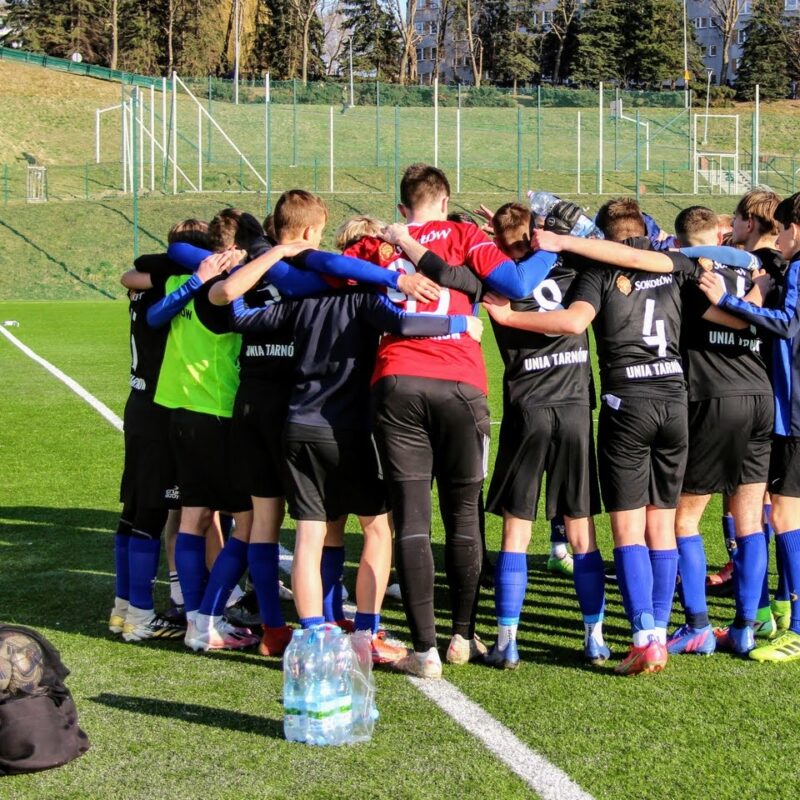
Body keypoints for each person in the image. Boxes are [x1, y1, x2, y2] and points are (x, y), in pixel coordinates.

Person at [351, 163, 558, 679]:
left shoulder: (376, 244)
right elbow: (513, 281)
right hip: (461, 383)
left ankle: (424, 651)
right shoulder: (464, 235)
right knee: (463, 515)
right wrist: (553, 246)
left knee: (412, 521)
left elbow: (333, 277)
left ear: (403, 208)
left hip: (397, 380)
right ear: (445, 202)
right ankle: (462, 636)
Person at [230, 262, 483, 667]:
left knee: (310, 535)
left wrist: (236, 281)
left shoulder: (302, 302)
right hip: (350, 431)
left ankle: (312, 637)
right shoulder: (365, 299)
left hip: (299, 428)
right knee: (378, 529)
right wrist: (460, 322)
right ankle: (367, 635)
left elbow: (241, 317)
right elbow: (405, 324)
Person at [487, 198, 701, 675]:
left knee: (545, 530)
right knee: (642, 527)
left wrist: (508, 311)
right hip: (656, 402)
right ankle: (629, 636)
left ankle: (517, 641)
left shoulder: (579, 273)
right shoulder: (662, 263)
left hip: (594, 406)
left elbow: (572, 317)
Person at [472, 201, 608, 668]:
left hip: (527, 407)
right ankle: (595, 637)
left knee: (517, 529)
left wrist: (493, 242)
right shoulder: (573, 269)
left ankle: (507, 641)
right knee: (580, 530)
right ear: (537, 234)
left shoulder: (497, 283)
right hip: (574, 409)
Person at [698, 191, 800, 661]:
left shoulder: (793, 267)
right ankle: (772, 610)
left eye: (785, 230)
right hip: (781, 408)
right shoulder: (782, 267)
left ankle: (794, 626)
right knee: (772, 512)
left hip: (790, 411)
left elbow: (785, 323)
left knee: (782, 516)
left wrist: (725, 301)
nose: (781, 239)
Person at [668, 205, 772, 656]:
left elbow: (734, 318)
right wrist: (757, 292)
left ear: (682, 241)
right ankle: (746, 626)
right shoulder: (752, 271)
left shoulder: (691, 275)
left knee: (684, 519)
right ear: (718, 235)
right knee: (749, 519)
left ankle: (697, 625)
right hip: (760, 396)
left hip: (715, 399)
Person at [109, 220, 209, 643]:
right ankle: (141, 616)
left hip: (138, 402)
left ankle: (123, 609)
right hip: (159, 406)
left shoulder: (146, 280)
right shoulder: (172, 281)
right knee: (151, 511)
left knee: (133, 510)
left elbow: (133, 270)